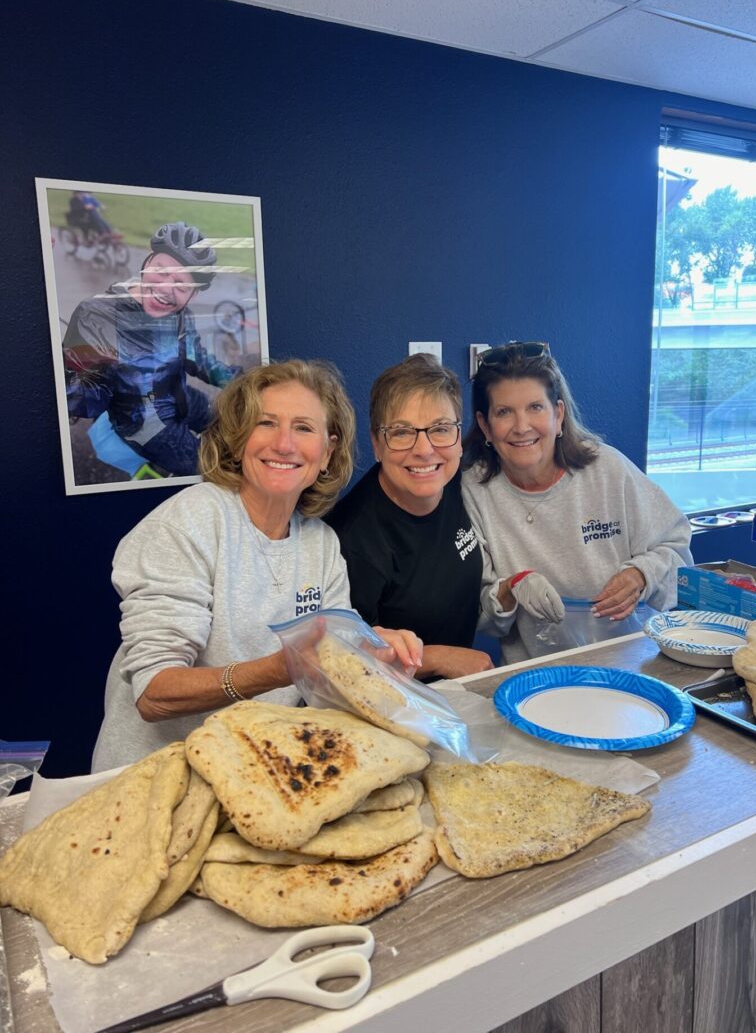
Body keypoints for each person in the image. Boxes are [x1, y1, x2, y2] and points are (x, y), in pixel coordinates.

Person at [92, 360, 422, 771]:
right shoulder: (189, 523)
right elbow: (155, 693)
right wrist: (279, 669)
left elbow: (330, 664)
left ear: (327, 452)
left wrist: (372, 652)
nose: (284, 444)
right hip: (151, 777)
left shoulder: (320, 544)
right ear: (237, 440)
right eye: (265, 423)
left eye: (303, 428)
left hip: (253, 771)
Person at [462, 341, 692, 665]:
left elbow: (679, 552)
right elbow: (481, 617)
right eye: (504, 412)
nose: (522, 426)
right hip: (536, 678)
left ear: (558, 415)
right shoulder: (475, 491)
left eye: (535, 407)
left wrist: (642, 574)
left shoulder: (607, 470)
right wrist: (512, 588)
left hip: (633, 666)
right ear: (485, 425)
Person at [326, 354, 493, 679]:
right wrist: (437, 658)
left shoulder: (457, 484)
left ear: (459, 438)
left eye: (441, 429)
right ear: (377, 444)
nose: (424, 449)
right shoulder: (352, 541)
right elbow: (348, 663)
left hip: (456, 691)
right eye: (402, 432)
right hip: (391, 701)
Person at [62, 221, 239, 476]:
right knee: (212, 468)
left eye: (181, 285)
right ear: (147, 262)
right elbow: (82, 397)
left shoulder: (181, 315)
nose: (165, 288)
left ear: (193, 295)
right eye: (161, 271)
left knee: (231, 424)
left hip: (179, 395)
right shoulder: (97, 315)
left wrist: (243, 381)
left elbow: (197, 357)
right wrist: (95, 374)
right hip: (146, 423)